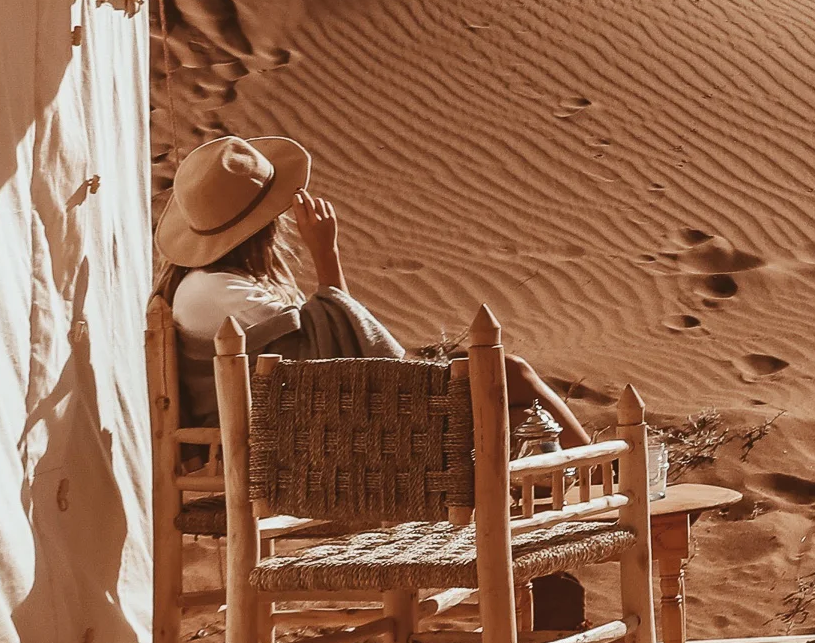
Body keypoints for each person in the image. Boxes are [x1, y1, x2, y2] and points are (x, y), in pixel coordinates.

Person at [156, 134, 588, 441]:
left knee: (510, 403)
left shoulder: (205, 286)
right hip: (316, 431)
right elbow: (338, 351)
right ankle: (597, 474)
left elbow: (335, 342)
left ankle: (567, 492)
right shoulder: (217, 293)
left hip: (310, 418)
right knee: (510, 374)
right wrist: (327, 253)